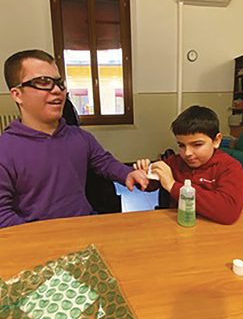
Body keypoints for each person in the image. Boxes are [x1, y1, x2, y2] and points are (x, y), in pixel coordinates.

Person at [0, 49, 148, 229]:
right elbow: (3, 215)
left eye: (59, 83)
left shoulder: (80, 137)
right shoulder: (5, 150)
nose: (56, 90)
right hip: (36, 242)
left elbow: (104, 162)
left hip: (84, 229)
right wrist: (41, 241)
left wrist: (127, 174)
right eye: (43, 82)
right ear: (17, 94)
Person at [134, 106, 243, 225]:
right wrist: (142, 176)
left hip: (212, 228)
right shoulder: (174, 162)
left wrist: (173, 186)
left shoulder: (230, 168)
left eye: (197, 145)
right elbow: (152, 184)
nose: (187, 153)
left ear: (216, 141)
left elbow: (229, 212)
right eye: (181, 145)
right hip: (177, 225)